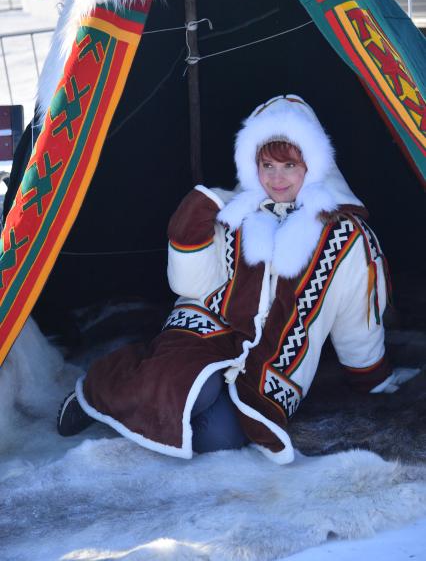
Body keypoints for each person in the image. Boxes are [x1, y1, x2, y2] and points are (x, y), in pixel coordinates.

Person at [57, 94, 416, 464]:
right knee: (189, 388)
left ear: (313, 165)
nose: (277, 177)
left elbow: (358, 320)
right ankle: (99, 390)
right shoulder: (230, 212)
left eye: (289, 165)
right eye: (267, 165)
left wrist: (371, 377)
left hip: (271, 366)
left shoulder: (347, 237)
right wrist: (187, 232)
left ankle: (140, 403)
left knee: (218, 437)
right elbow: (191, 287)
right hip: (204, 331)